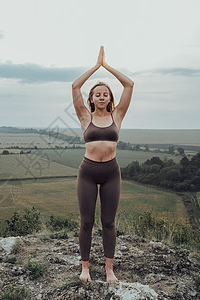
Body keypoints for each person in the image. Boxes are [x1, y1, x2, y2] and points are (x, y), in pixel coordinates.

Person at [72, 46, 134, 283]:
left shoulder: (117, 116)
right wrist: (95, 67)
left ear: (110, 98)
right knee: (86, 222)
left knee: (108, 222)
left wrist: (107, 67)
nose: (101, 96)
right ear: (91, 99)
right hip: (88, 172)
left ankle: (109, 270)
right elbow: (75, 86)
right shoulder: (84, 117)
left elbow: (129, 85)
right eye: (96, 93)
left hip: (111, 172)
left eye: (105, 93)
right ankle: (85, 268)